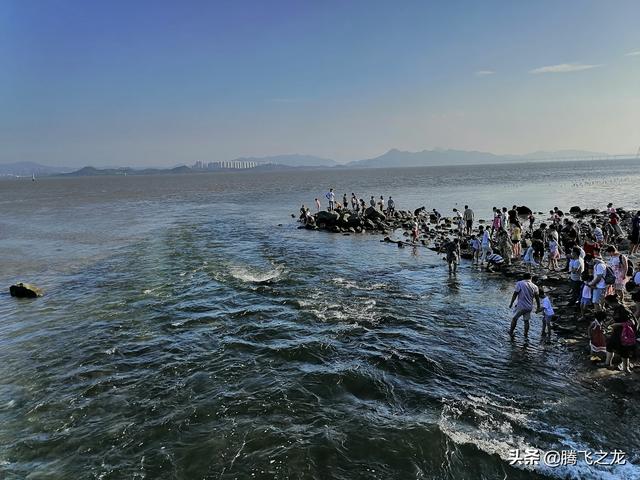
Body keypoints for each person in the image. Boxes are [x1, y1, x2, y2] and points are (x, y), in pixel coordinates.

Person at [604, 303, 637, 373]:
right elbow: (615, 318)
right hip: (617, 332)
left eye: (610, 304)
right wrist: (608, 323)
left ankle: (626, 368)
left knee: (624, 350)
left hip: (625, 334)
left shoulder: (624, 310)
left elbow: (632, 322)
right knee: (610, 345)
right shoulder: (617, 309)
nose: (610, 306)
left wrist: (618, 324)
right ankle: (607, 364)